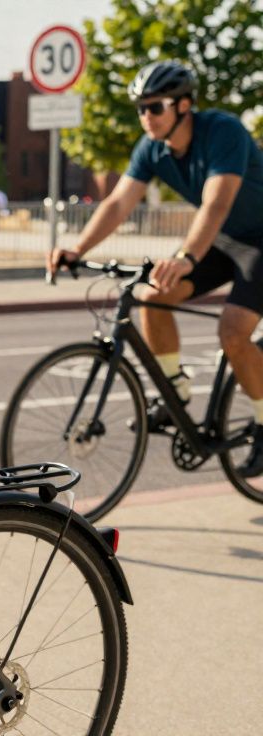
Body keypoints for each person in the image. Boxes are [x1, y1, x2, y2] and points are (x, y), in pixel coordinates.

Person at [48, 60, 263, 474]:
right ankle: (175, 392)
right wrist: (76, 248)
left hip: (261, 241)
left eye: (155, 107)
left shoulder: (223, 131)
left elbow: (217, 202)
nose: (146, 116)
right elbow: (117, 203)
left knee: (233, 331)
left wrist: (185, 257)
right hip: (222, 240)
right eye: (141, 108)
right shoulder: (152, 147)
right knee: (150, 296)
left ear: (184, 105)